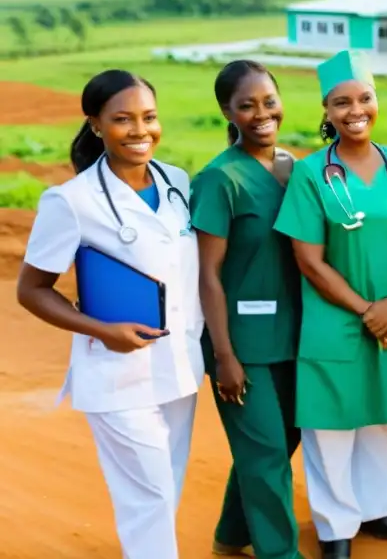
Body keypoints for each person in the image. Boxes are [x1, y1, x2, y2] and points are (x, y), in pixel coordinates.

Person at [16, 70, 203, 559]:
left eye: (149, 117)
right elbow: (32, 290)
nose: (141, 130)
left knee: (166, 486)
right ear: (96, 125)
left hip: (178, 365)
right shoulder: (70, 201)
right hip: (117, 372)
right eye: (123, 119)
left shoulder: (177, 183)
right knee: (151, 494)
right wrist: (101, 329)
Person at [273, 50, 387, 559]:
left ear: (376, 100)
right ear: (326, 110)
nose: (355, 110)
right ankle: (336, 527)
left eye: (364, 98)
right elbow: (309, 261)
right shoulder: (312, 174)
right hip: (336, 321)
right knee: (332, 427)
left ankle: (377, 509)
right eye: (342, 102)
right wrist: (367, 311)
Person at [189, 60, 304, 559]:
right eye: (247, 106)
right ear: (226, 112)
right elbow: (207, 274)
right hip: (241, 344)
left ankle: (231, 536)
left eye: (269, 101)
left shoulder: (289, 167)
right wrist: (224, 356)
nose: (261, 114)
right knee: (266, 453)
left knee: (278, 445)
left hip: (295, 336)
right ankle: (280, 552)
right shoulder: (219, 180)